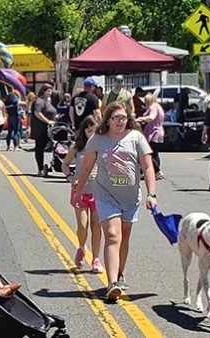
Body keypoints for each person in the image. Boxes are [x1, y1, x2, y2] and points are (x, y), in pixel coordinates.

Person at [73, 102, 157, 301]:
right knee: (112, 235)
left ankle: (119, 273)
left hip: (130, 196)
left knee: (124, 237)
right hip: (105, 195)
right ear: (108, 120)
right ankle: (111, 283)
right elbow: (86, 168)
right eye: (116, 117)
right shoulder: (97, 140)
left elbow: (147, 167)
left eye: (123, 117)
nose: (120, 121)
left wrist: (151, 194)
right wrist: (78, 192)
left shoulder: (136, 138)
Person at [61, 116, 102, 274]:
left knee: (96, 225)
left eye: (94, 131)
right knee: (83, 226)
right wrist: (70, 178)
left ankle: (96, 259)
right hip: (80, 191)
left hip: (98, 192)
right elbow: (65, 164)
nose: (91, 134)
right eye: (88, 130)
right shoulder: (77, 147)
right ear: (83, 131)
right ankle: (81, 247)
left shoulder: (101, 147)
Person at [30, 84, 58, 177]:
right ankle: (40, 169)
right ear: (43, 91)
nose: (50, 93)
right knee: (40, 148)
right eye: (48, 91)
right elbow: (37, 113)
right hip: (41, 129)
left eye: (51, 91)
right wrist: (48, 121)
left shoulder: (48, 102)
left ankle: (54, 164)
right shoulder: (39, 101)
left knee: (56, 147)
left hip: (51, 129)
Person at [136, 94, 166, 180]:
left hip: (154, 132)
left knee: (148, 153)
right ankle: (153, 172)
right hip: (158, 131)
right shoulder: (158, 106)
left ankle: (157, 172)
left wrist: (141, 119)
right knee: (154, 153)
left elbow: (151, 117)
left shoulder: (153, 107)